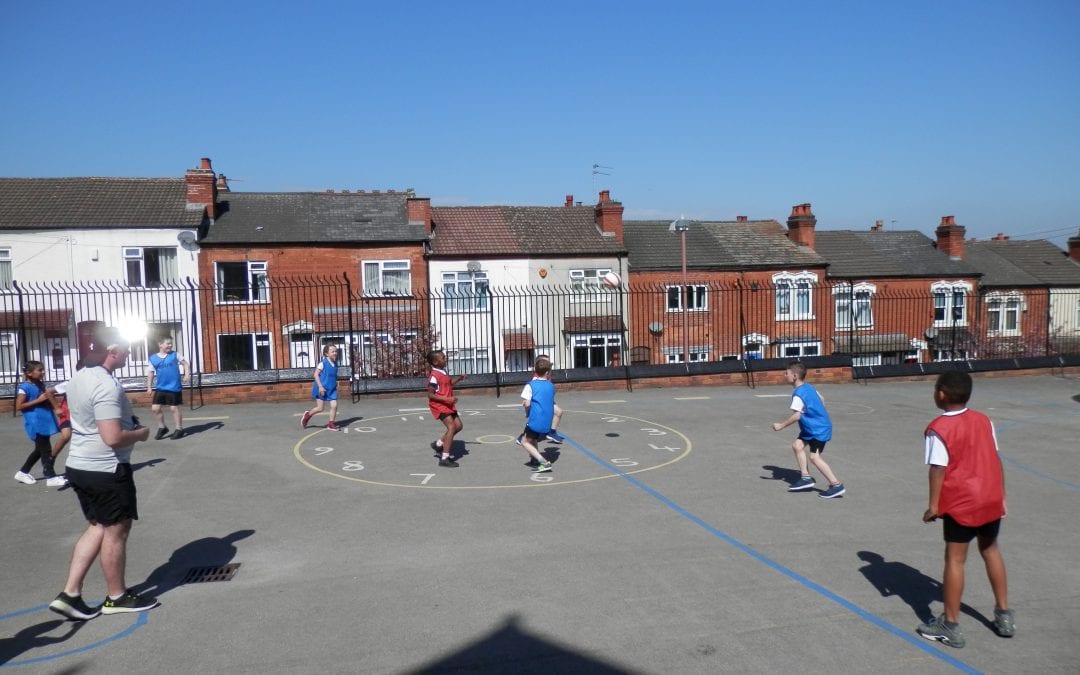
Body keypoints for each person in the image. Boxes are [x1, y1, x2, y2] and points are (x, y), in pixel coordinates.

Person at [48, 339, 158, 621]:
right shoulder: (107, 385)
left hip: (79, 465)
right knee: (116, 531)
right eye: (126, 349)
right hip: (106, 470)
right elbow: (112, 437)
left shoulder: (78, 378)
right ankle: (117, 597)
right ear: (112, 351)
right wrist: (141, 433)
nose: (129, 354)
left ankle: (70, 594)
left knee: (97, 526)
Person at [916, 371, 1013, 648]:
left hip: (962, 502)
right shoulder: (983, 420)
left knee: (955, 559)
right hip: (990, 497)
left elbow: (938, 469)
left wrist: (933, 506)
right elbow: (995, 458)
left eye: (936, 389)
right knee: (990, 550)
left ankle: (950, 624)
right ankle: (1004, 614)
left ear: (942, 394)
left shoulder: (939, 428)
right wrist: (1001, 496)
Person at [770, 361, 845, 499]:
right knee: (797, 446)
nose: (784, 375)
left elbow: (797, 415)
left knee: (814, 457)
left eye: (786, 373)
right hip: (810, 427)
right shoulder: (809, 387)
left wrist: (781, 425)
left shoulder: (798, 395)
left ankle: (836, 485)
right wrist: (816, 413)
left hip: (818, 429)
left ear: (794, 376)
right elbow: (822, 399)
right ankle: (806, 478)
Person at [14, 361, 64, 487]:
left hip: (44, 420)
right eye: (40, 370)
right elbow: (19, 406)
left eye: (43, 370)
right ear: (29, 373)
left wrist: (53, 405)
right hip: (35, 422)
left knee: (39, 449)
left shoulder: (39, 384)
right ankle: (51, 476)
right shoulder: (24, 387)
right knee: (46, 449)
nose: (43, 372)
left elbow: (46, 397)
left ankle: (23, 472)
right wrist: (38, 400)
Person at [515, 354, 565, 445]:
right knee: (538, 419)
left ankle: (551, 432)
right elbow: (533, 392)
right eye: (547, 363)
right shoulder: (536, 379)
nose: (549, 365)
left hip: (546, 400)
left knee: (558, 412)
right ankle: (523, 436)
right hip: (540, 400)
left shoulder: (547, 376)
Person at [427, 349, 465, 468]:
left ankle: (439, 444)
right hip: (440, 405)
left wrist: (458, 379)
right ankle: (444, 457)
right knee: (451, 427)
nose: (445, 359)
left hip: (448, 405)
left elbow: (447, 384)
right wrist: (446, 399)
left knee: (459, 426)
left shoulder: (442, 372)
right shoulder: (434, 376)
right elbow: (430, 394)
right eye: (443, 358)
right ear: (435, 362)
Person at [517, 356, 556, 473]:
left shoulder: (530, 385)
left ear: (535, 371)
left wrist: (527, 412)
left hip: (536, 420)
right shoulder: (551, 386)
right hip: (547, 421)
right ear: (548, 372)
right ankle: (534, 458)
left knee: (524, 441)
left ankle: (543, 462)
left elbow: (527, 404)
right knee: (532, 438)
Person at [146, 337, 188, 440]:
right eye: (167, 344)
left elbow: (185, 364)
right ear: (160, 344)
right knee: (155, 408)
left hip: (174, 387)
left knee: (174, 408)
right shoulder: (153, 358)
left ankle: (179, 429)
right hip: (161, 387)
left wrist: (187, 375)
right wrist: (149, 387)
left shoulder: (175, 355)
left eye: (171, 344)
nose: (170, 345)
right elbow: (150, 373)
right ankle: (162, 427)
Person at [301, 345, 340, 431]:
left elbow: (333, 375)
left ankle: (331, 424)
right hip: (321, 388)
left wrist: (335, 383)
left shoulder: (336, 363)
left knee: (334, 405)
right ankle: (307, 415)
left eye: (335, 351)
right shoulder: (323, 363)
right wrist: (320, 387)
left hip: (331, 389)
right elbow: (315, 374)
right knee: (320, 408)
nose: (335, 353)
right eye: (332, 351)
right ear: (326, 353)